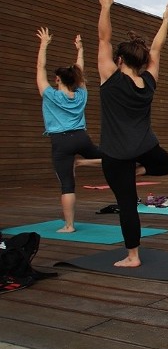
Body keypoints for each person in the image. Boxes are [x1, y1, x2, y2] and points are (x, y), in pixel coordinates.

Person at [97, 0, 168, 267]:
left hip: (115, 154)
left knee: (127, 204)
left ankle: (133, 257)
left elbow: (103, 39)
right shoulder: (148, 83)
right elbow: (157, 47)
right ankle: (139, 167)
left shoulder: (111, 78)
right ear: (142, 62)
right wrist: (165, 20)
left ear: (119, 60)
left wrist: (106, 6)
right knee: (166, 165)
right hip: (144, 147)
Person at [36, 27, 103, 232]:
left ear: (57, 80)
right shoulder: (81, 94)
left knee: (67, 185)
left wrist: (44, 44)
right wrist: (80, 50)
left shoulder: (50, 95)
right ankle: (86, 161)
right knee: (109, 156)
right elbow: (80, 71)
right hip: (81, 137)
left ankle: (69, 225)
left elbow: (40, 67)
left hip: (61, 142)